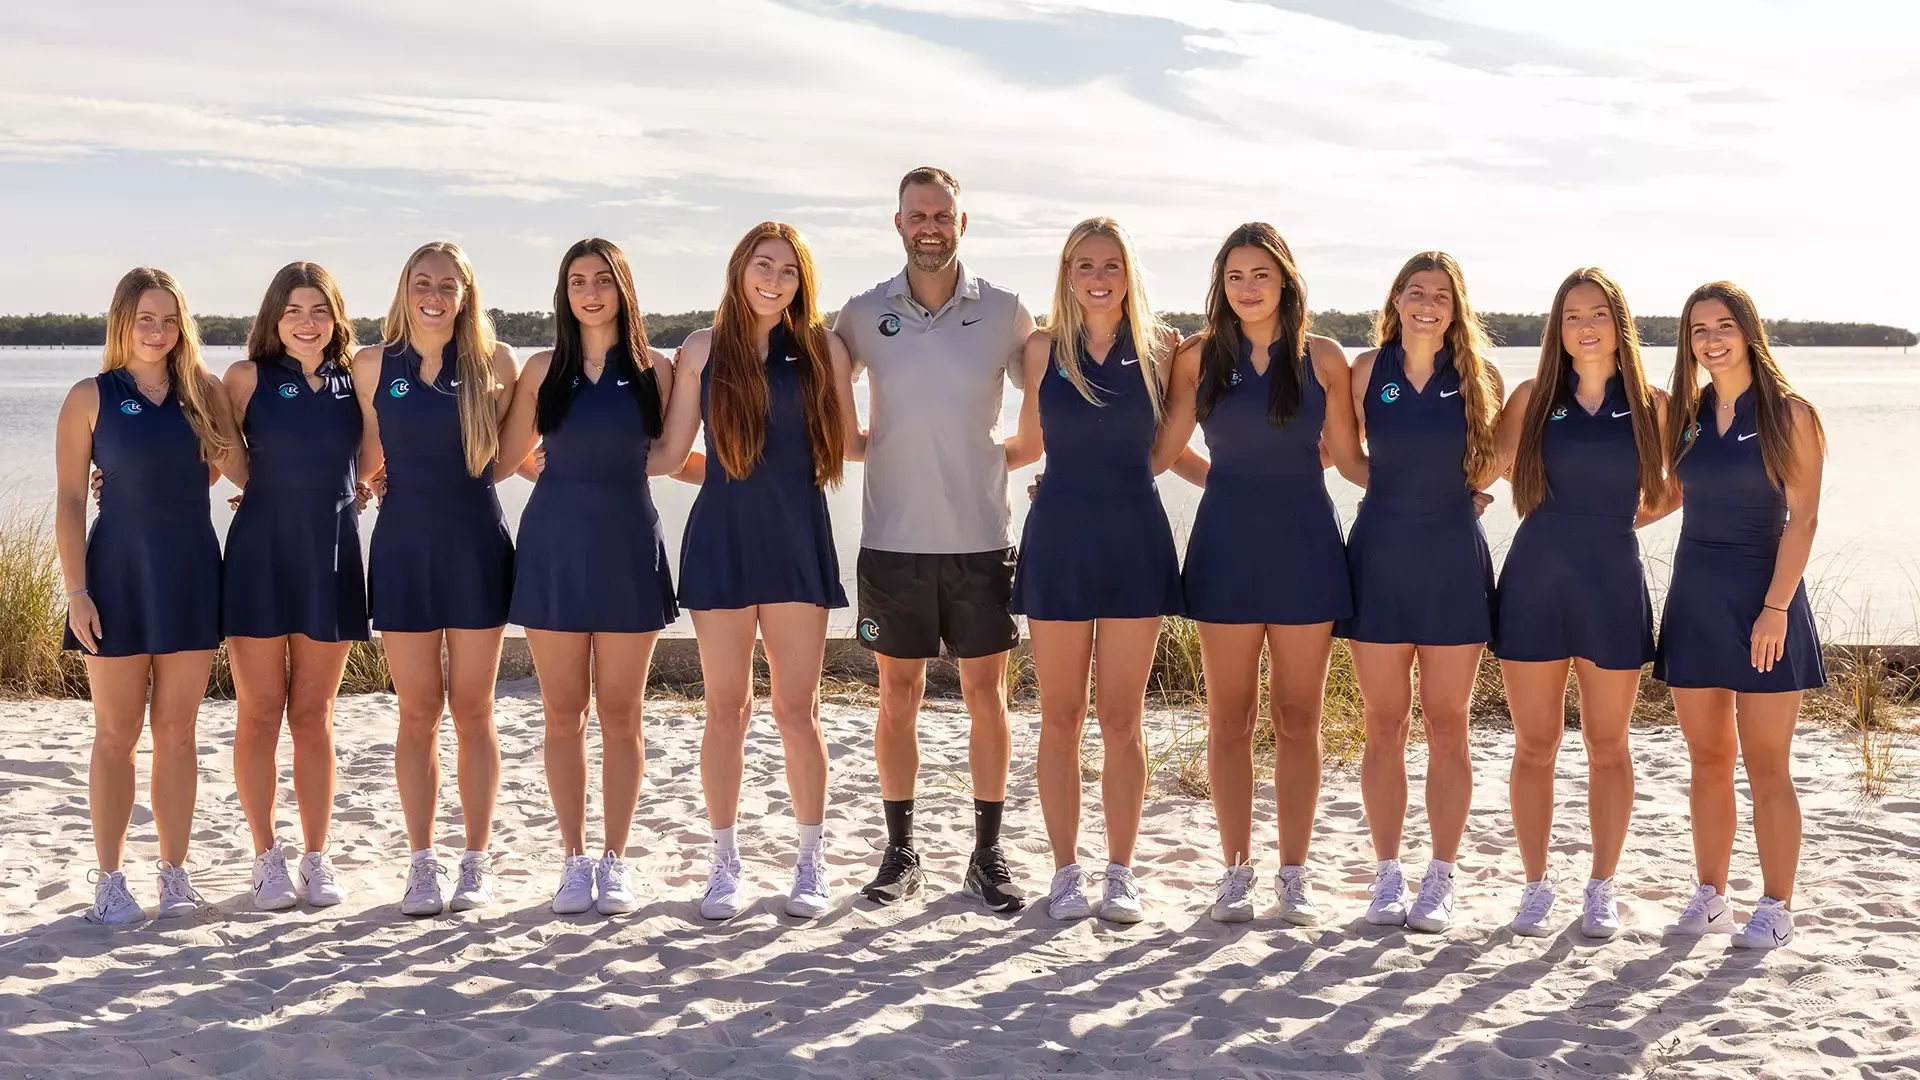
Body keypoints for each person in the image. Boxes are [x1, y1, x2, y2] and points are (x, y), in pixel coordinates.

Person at [1148, 223, 1366, 925]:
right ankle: (1237, 870)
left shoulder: (1324, 357)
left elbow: (1347, 456)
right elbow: (1166, 449)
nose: (1248, 288)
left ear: (1286, 281)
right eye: (1235, 276)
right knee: (1230, 719)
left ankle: (1293, 874)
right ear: (1221, 284)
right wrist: (1074, 480)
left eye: (1261, 275)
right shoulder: (1197, 357)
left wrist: (1452, 487)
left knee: (1299, 720)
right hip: (1227, 545)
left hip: (1305, 544)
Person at [832, 167, 1036, 911]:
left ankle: (987, 855)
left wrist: (995, 457)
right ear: (898, 223)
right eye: (918, 214)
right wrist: (870, 446)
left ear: (962, 222)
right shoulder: (860, 314)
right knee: (898, 694)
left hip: (982, 538)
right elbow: (827, 412)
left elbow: (1048, 406)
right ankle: (901, 851)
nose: (930, 225)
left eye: (942, 214)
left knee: (988, 695)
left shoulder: (1007, 312)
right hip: (892, 540)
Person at [661, 221, 861, 920]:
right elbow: (668, 451)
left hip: (796, 539)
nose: (773, 280)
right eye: (762, 265)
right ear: (739, 267)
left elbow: (852, 442)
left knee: (797, 711)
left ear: (801, 281)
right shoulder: (700, 350)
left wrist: (969, 447)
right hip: (721, 539)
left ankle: (811, 861)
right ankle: (725, 864)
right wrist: (562, 462)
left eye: (787, 270)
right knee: (727, 711)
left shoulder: (820, 350)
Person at [1002, 217, 1184, 922]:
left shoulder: (1163, 349)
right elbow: (1025, 440)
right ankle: (1066, 870)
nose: (1099, 276)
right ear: (1067, 273)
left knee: (1122, 718)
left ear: (1128, 272)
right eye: (1085, 264)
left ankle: (1121, 871)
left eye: (1111, 264)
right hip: (1060, 538)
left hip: (1134, 535)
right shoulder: (1042, 349)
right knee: (1060, 716)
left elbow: (1170, 448)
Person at [497, 239, 676, 916]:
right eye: (577, 281)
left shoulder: (656, 369)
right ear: (564, 293)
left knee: (623, 715)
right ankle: (573, 860)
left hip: (629, 543)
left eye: (602, 280)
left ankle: (615, 860)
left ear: (623, 288)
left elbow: (668, 453)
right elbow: (505, 455)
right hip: (555, 548)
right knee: (562, 714)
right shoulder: (543, 368)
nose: (590, 292)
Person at [56, 267, 239, 924]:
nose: (157, 331)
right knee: (115, 735)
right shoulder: (90, 396)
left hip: (191, 573)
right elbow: (73, 499)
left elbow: (240, 464)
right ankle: (109, 878)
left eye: (169, 319)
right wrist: (76, 589)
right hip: (115, 577)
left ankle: (174, 872)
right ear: (122, 323)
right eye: (145, 319)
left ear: (182, 325)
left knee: (178, 733)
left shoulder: (205, 393)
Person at [1491, 268, 1669, 939]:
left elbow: (1677, 489)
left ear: (1619, 323)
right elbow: (1489, 467)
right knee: (1534, 744)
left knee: (1608, 744)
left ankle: (1601, 887)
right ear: (1556, 329)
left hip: (1612, 581)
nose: (1585, 326)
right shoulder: (1535, 396)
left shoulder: (1653, 402)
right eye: (1571, 316)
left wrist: (1613, 522)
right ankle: (1536, 886)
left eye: (1597, 313)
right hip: (1536, 578)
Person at [1654, 281, 1825, 950]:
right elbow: (1670, 495)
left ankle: (1777, 904)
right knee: (1706, 759)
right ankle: (1711, 895)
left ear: (1748, 330)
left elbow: (1804, 517)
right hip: (1696, 595)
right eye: (1698, 329)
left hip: (1765, 599)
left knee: (1766, 764)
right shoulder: (1688, 414)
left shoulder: (1791, 412)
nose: (1710, 339)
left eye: (1722, 325)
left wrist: (1776, 607)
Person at [352, 241, 519, 916]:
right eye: (423, 282)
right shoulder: (371, 365)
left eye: (447, 285)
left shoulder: (494, 362)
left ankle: (474, 863)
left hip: (477, 545)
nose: (434, 294)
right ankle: (422, 865)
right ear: (405, 289)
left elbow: (514, 455)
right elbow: (362, 457)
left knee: (474, 710)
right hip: (403, 550)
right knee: (417, 713)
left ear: (465, 293)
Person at [1341, 251, 1505, 933]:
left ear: (1456, 305)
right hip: (1378, 557)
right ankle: (1386, 877)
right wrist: (1396, 497)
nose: (1427, 303)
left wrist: (1465, 494)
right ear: (1397, 300)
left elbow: (1501, 452)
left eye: (1441, 294)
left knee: (1448, 725)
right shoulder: (1364, 371)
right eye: (1416, 291)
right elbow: (1349, 458)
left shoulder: (1480, 375)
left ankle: (1440, 877)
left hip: (1451, 563)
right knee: (1384, 724)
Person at [220, 262, 370, 911]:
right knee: (258, 712)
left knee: (314, 716)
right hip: (260, 552)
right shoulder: (246, 378)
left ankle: (315, 856)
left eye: (319, 310)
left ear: (336, 316)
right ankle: (266, 858)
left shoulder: (357, 376)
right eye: (293, 311)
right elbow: (225, 460)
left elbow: (371, 454)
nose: (307, 323)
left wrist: (352, 491)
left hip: (332, 552)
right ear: (272, 318)